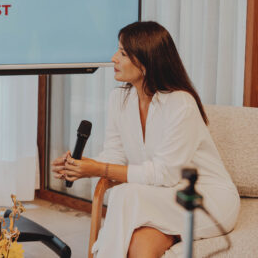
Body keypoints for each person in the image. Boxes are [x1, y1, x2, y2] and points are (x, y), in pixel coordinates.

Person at [52, 21, 240, 258]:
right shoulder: (119, 100)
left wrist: (98, 169)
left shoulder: (181, 104)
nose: (113, 58)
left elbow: (165, 174)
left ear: (146, 62)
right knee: (139, 246)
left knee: (125, 194)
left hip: (205, 199)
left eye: (122, 53)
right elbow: (115, 156)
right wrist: (81, 167)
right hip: (159, 197)